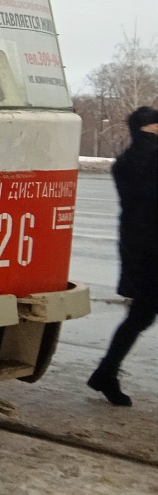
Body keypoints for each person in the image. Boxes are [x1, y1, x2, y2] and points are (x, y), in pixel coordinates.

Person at [88, 105, 158, 407]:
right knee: (140, 316)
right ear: (151, 128)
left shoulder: (125, 161)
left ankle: (106, 373)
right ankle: (105, 373)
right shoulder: (154, 158)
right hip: (153, 249)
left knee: (140, 315)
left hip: (136, 247)